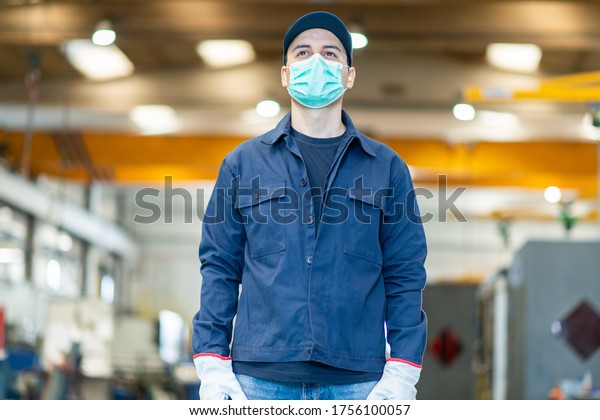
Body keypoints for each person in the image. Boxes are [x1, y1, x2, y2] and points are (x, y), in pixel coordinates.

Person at [191, 11, 428, 400]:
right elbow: (219, 265)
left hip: (359, 382)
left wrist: (402, 372)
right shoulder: (242, 164)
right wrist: (212, 364)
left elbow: (405, 274)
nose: (316, 62)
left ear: (349, 75)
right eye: (303, 53)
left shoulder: (387, 169)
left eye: (330, 54)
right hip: (257, 381)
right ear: (285, 74)